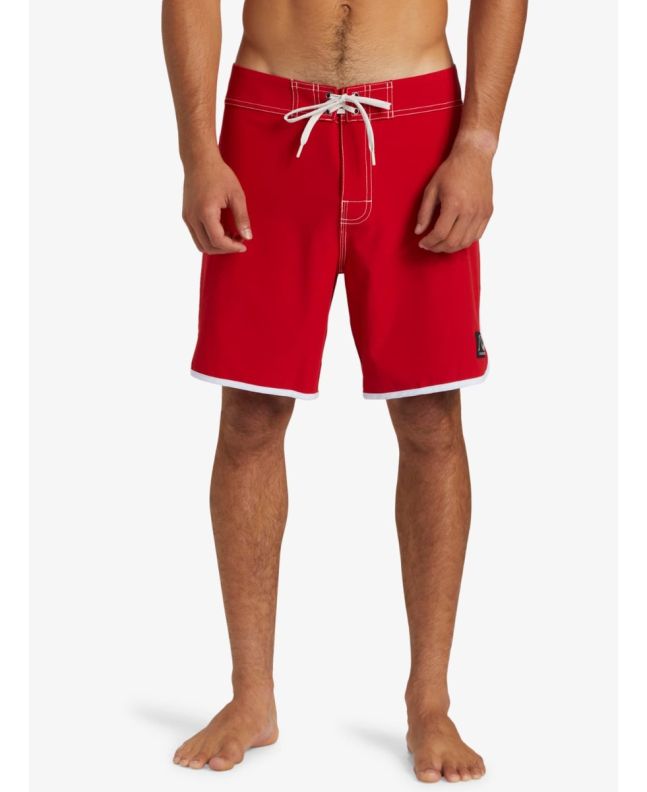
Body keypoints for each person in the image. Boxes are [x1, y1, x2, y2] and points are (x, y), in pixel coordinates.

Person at [162, 0, 526, 782]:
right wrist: (198, 152)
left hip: (417, 128)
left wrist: (476, 144)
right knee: (249, 414)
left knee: (430, 417)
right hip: (265, 127)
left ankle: (429, 703)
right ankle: (251, 696)